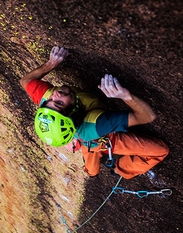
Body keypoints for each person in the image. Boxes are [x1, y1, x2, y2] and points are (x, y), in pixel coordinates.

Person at [20, 46, 169, 179]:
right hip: (99, 138)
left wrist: (50, 64)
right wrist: (126, 96)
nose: (55, 95)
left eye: (49, 101)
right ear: (72, 111)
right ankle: (121, 169)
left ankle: (112, 165)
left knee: (91, 165)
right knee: (160, 150)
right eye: (59, 103)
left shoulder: (47, 98)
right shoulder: (96, 124)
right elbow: (147, 116)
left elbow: (25, 81)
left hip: (82, 136)